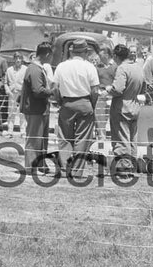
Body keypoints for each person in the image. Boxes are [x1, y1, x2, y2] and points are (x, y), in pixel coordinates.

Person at [52, 38, 100, 178]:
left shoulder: (61, 66)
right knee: (82, 139)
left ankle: (65, 167)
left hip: (67, 103)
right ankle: (77, 171)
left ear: (71, 51)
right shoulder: (90, 67)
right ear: (86, 52)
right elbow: (95, 90)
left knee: (65, 138)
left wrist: (60, 101)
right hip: (85, 103)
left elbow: (55, 88)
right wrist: (91, 104)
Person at [108, 44, 146, 164]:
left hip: (122, 109)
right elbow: (144, 88)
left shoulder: (122, 68)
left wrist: (109, 89)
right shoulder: (138, 68)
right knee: (132, 140)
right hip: (135, 107)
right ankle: (133, 165)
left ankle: (124, 167)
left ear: (115, 56)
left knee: (121, 139)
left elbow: (118, 89)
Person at [19, 42, 54, 172]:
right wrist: (53, 92)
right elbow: (38, 91)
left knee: (42, 139)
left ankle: (40, 164)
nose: (51, 58)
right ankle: (30, 167)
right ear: (47, 54)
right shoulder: (34, 69)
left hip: (41, 110)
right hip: (35, 110)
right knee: (34, 139)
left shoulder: (39, 68)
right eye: (51, 55)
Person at [93, 46, 116, 149]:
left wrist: (110, 90)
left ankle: (114, 142)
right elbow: (95, 81)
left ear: (107, 55)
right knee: (100, 119)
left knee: (114, 119)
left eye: (101, 55)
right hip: (101, 95)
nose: (99, 57)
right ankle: (101, 142)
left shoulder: (115, 66)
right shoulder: (98, 67)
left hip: (112, 96)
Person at [5, 52, 28, 138]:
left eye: (19, 58)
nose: (18, 60)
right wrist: (8, 90)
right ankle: (10, 131)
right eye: (16, 58)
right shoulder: (9, 70)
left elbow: (27, 82)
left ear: (22, 59)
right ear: (13, 59)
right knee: (11, 113)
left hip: (22, 93)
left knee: (22, 113)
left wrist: (24, 92)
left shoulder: (25, 69)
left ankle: (23, 132)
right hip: (12, 94)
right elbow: (5, 82)